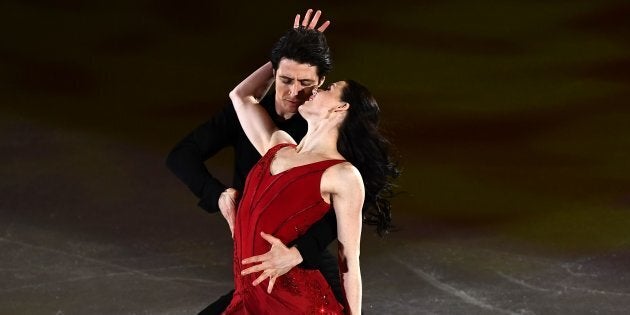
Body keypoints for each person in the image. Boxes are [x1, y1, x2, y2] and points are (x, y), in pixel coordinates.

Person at [166, 10, 342, 315]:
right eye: (286, 79)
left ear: (321, 82)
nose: (294, 92)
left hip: (304, 262)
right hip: (256, 264)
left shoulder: (323, 131)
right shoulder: (250, 117)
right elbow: (182, 155)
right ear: (273, 73)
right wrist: (218, 194)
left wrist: (297, 253)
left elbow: (346, 207)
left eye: (306, 83)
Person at [224, 32, 398, 315]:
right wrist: (289, 53)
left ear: (341, 107)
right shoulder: (277, 144)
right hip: (250, 301)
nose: (316, 90)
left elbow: (348, 261)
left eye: (329, 89)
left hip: (296, 306)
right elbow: (241, 96)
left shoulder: (342, 174)